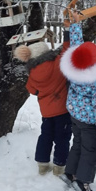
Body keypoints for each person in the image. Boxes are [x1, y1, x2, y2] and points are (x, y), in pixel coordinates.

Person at [59, 13, 96, 191]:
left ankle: (70, 172)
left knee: (77, 144)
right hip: (89, 121)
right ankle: (83, 181)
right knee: (90, 150)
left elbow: (75, 45)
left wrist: (75, 25)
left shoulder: (74, 67)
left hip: (75, 115)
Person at [14, 24, 72, 176]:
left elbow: (32, 90)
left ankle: (42, 163)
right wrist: (67, 32)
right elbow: (67, 50)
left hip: (46, 112)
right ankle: (59, 166)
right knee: (62, 138)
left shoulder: (32, 72)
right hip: (63, 109)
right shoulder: (58, 63)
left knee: (45, 136)